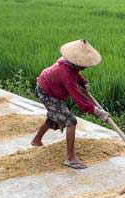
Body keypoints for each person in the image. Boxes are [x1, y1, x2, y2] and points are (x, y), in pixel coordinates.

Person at [32, 39, 110, 169]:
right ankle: (70, 157)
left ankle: (36, 140)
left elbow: (76, 74)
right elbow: (79, 100)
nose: (84, 67)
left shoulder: (69, 64)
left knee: (54, 116)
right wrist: (98, 112)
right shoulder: (66, 73)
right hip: (46, 93)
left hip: (48, 88)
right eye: (83, 64)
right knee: (70, 121)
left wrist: (83, 83)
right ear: (76, 62)